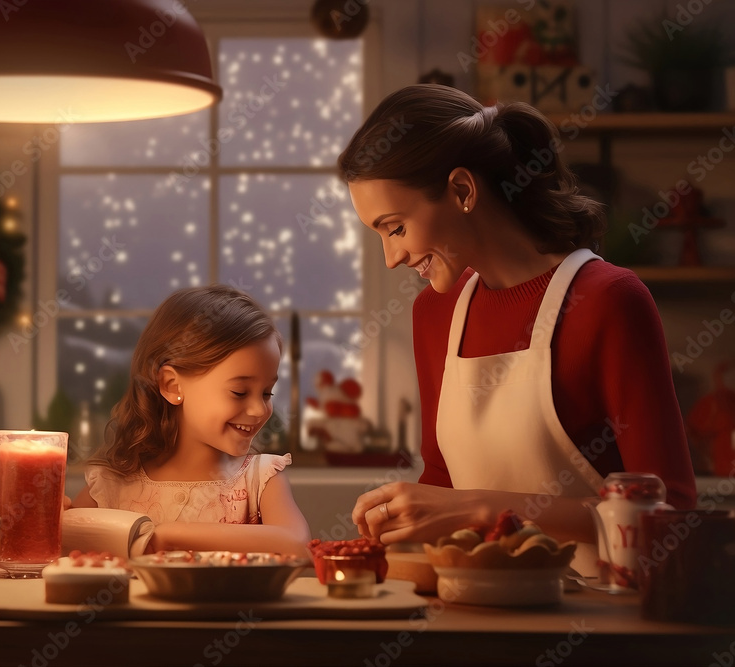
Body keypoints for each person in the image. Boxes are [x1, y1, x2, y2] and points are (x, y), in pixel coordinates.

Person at [341, 85, 696, 554]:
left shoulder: (607, 301)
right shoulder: (435, 313)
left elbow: (670, 514)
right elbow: (444, 481)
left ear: (462, 190)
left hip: (601, 616)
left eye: (397, 228)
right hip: (473, 610)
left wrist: (486, 511)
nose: (391, 257)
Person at [71, 285, 310, 556]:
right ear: (172, 385)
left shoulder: (261, 479)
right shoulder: (112, 486)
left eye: (267, 393)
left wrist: (167, 534)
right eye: (239, 392)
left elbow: (298, 546)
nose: (258, 409)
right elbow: (62, 545)